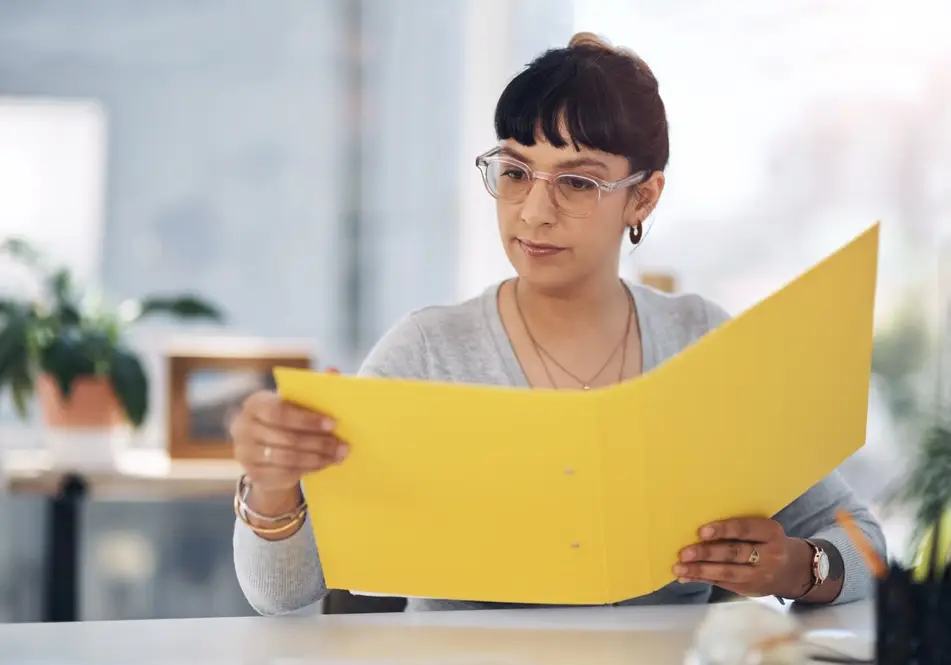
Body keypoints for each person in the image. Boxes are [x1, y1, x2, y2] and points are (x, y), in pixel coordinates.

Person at [231, 32, 885, 614]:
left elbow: (865, 540)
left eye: (576, 183)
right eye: (515, 172)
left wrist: (798, 566)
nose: (532, 212)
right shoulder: (428, 349)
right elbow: (281, 596)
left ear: (643, 195)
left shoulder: (699, 342)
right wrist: (271, 482)